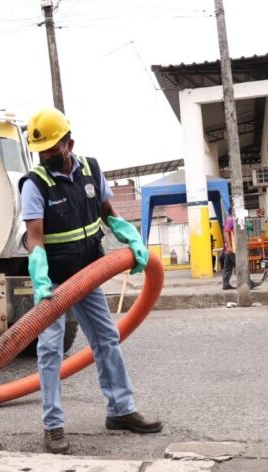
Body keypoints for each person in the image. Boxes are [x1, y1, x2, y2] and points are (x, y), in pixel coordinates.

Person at [20, 107, 162, 454]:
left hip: (88, 274)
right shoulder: (35, 183)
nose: (48, 157)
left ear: (70, 143)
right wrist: (40, 283)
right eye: (43, 152)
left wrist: (130, 239)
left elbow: (108, 214)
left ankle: (121, 410)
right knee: (51, 349)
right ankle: (53, 426)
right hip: (53, 283)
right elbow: (35, 239)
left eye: (54, 149)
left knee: (107, 339)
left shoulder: (92, 170)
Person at [222, 210, 236, 290]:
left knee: (228, 267)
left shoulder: (233, 219)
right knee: (240, 264)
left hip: (230, 248)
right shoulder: (231, 219)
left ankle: (226, 284)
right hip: (232, 248)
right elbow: (226, 232)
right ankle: (248, 282)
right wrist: (229, 246)